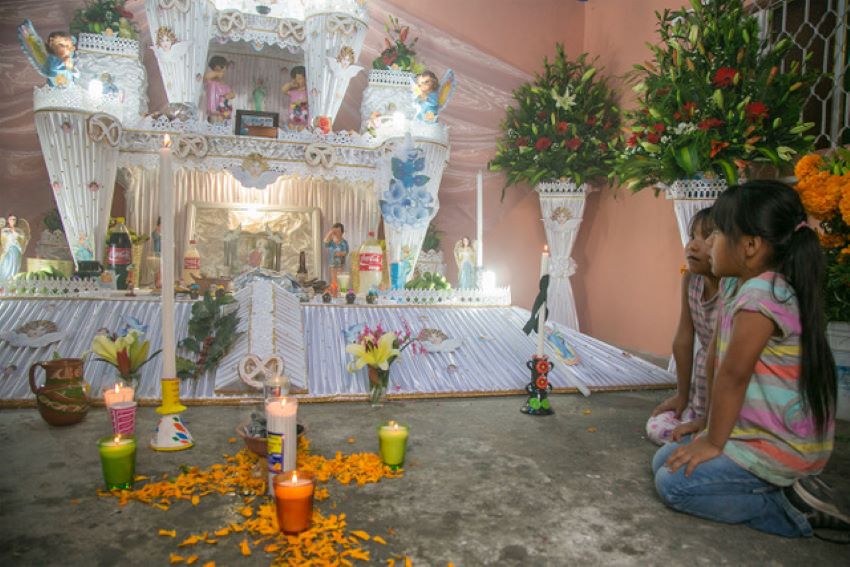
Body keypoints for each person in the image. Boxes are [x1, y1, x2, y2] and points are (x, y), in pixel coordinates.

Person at [653, 180, 848, 537]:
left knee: (674, 484)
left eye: (718, 235)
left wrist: (713, 441)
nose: (708, 244)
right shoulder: (738, 284)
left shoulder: (764, 293)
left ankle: (792, 507)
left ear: (751, 247)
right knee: (663, 459)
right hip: (753, 435)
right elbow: (716, 360)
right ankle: (773, 488)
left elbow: (734, 376)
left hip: (778, 448)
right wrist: (707, 423)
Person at [646, 207, 719, 445]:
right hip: (700, 387)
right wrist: (682, 394)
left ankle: (710, 427)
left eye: (707, 238)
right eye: (692, 237)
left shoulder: (734, 288)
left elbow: (726, 363)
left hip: (724, 392)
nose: (693, 246)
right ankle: (696, 419)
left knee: (677, 449)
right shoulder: (691, 280)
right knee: (657, 426)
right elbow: (684, 339)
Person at [204, 56, 235, 123]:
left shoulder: (225, 85)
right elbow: (206, 76)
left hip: (224, 110)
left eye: (224, 69)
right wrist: (217, 73)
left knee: (223, 124)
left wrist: (230, 95)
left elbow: (232, 94)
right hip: (213, 110)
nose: (222, 72)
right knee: (214, 123)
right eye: (221, 68)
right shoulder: (210, 82)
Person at [0, 216, 27, 280]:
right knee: (5, 264)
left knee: (15, 265)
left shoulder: (19, 231)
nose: (12, 220)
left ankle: (13, 280)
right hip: (7, 250)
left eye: (14, 219)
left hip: (16, 250)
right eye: (11, 219)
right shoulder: (5, 230)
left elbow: (23, 240)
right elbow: (2, 240)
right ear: (8, 220)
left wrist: (15, 232)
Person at [281, 66, 308, 130]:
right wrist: (290, 84)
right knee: (291, 129)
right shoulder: (293, 92)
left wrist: (302, 101)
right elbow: (283, 90)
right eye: (295, 78)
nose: (297, 81)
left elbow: (307, 101)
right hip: (292, 117)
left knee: (302, 130)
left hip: (303, 119)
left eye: (299, 78)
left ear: (305, 79)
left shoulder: (307, 92)